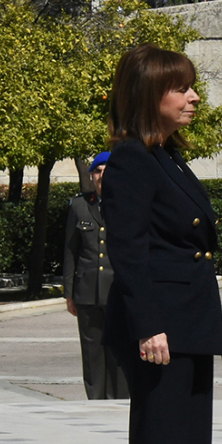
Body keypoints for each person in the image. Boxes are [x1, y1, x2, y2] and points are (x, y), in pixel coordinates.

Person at [102, 44, 222, 444]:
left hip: (190, 321)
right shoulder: (130, 159)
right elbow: (129, 252)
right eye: (181, 88)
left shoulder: (167, 158)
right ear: (150, 96)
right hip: (162, 329)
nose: (193, 96)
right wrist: (148, 325)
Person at [64, 152, 129, 401]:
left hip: (117, 291)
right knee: (91, 351)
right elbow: (70, 251)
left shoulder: (128, 204)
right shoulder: (80, 205)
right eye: (98, 170)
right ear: (91, 176)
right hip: (87, 292)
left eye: (107, 170)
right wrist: (69, 293)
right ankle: (95, 400)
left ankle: (118, 400)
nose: (103, 175)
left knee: (118, 351)